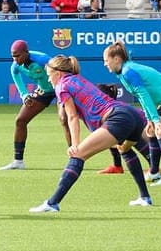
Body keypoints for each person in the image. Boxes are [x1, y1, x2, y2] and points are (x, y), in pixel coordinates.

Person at [29, 54, 153, 213]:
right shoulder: (77, 78)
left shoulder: (61, 85)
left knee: (78, 155)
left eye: (48, 75)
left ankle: (52, 203)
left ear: (57, 74)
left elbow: (72, 117)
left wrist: (75, 144)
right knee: (124, 149)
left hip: (117, 118)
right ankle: (145, 197)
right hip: (129, 113)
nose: (48, 80)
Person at [104, 42, 161, 187]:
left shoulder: (128, 71)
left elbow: (144, 95)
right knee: (150, 131)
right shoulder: (123, 72)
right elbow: (141, 96)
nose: (105, 64)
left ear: (117, 59)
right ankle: (154, 172)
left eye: (106, 60)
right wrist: (150, 118)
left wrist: (155, 119)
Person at [0, 40, 67, 170]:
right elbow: (16, 76)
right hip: (44, 91)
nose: (15, 59)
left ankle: (74, 159)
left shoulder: (43, 59)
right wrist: (24, 95)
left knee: (65, 119)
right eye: (13, 56)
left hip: (59, 89)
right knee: (20, 120)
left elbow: (61, 72)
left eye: (18, 55)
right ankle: (18, 161)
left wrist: (64, 91)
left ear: (26, 53)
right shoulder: (15, 66)